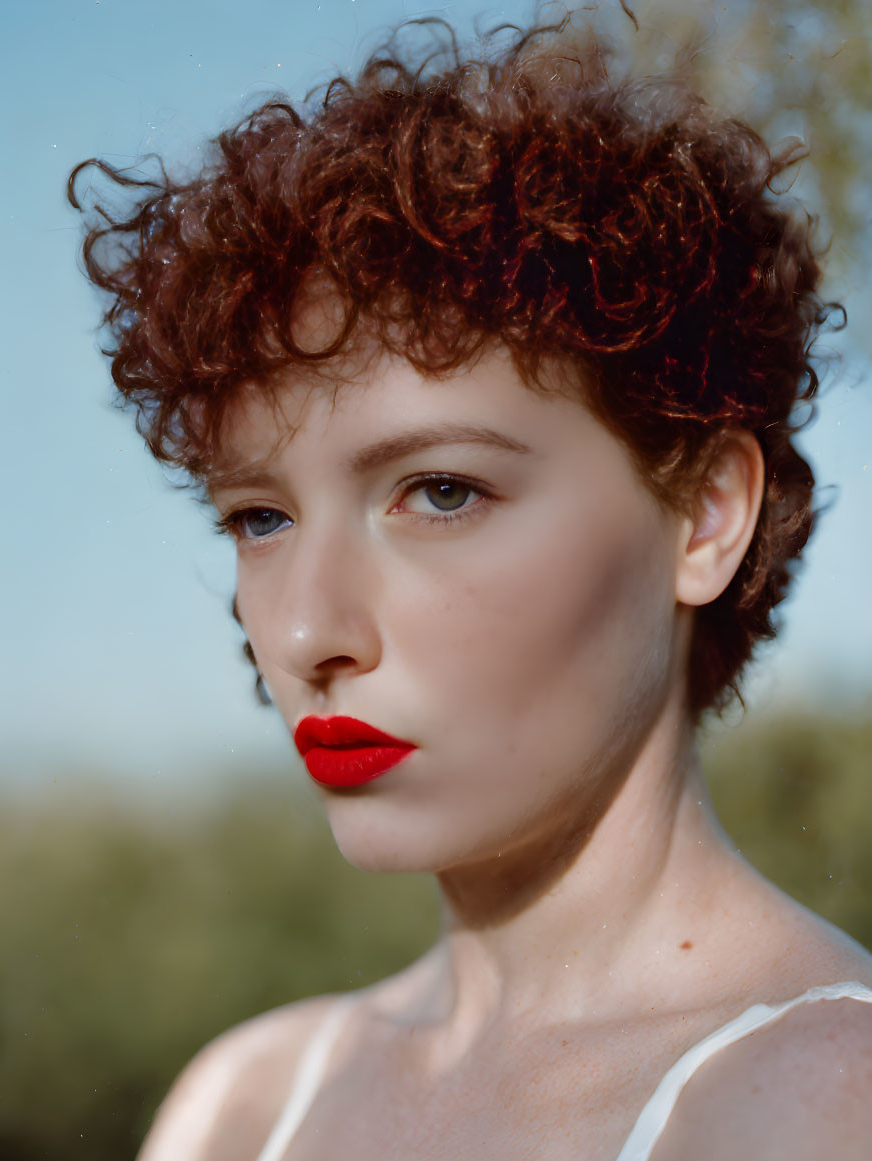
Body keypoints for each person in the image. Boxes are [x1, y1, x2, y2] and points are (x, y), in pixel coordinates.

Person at [69, 15, 872, 1160]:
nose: (305, 630)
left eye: (440, 492)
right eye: (260, 517)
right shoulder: (239, 1110)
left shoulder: (822, 1104)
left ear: (705, 515)